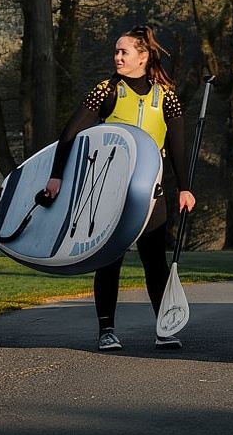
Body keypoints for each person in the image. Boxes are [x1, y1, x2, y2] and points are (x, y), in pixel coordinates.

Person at [43, 25, 195, 351]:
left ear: (143, 56)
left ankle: (164, 329)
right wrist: (56, 176)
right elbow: (70, 133)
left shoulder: (166, 96)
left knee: (155, 263)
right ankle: (107, 331)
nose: (117, 57)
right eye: (116, 51)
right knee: (109, 261)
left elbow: (178, 146)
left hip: (151, 194)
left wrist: (185, 188)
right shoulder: (107, 90)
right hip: (110, 193)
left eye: (124, 51)